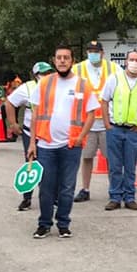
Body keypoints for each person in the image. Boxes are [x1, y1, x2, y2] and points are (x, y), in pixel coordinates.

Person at [28, 46, 99, 239]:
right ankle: (44, 224)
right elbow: (35, 114)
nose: (62, 61)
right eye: (59, 58)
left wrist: (81, 136)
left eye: (66, 58)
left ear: (72, 61)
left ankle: (63, 224)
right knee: (46, 187)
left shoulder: (83, 85)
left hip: (70, 146)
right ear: (54, 60)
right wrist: (32, 143)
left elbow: (92, 113)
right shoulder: (44, 84)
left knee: (67, 188)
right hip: (46, 144)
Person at [100, 49, 137, 210]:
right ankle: (115, 197)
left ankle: (129, 197)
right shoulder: (114, 78)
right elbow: (104, 101)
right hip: (115, 128)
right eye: (132, 59)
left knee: (130, 166)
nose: (134, 63)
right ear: (126, 61)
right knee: (115, 166)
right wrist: (107, 124)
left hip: (133, 131)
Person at [5, 61, 52, 211]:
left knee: (50, 166)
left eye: (49, 72)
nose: (47, 76)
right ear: (36, 75)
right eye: (43, 73)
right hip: (30, 132)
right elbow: (10, 103)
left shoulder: (56, 86)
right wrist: (13, 123)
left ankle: (51, 197)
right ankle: (27, 198)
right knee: (31, 164)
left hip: (49, 132)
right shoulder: (27, 88)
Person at [74, 39, 116, 203]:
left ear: (102, 53)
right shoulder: (78, 69)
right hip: (87, 122)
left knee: (111, 158)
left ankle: (114, 189)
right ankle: (85, 189)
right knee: (86, 157)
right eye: (90, 51)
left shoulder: (113, 68)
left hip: (108, 121)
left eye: (96, 52)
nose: (93, 54)